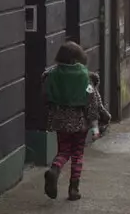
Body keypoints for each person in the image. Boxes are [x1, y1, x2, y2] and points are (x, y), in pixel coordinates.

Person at [41, 41, 109, 201]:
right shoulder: (85, 78)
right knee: (77, 154)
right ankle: (74, 189)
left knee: (63, 151)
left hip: (60, 121)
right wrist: (95, 127)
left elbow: (45, 97)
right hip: (80, 122)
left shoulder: (51, 75)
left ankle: (54, 169)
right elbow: (91, 102)